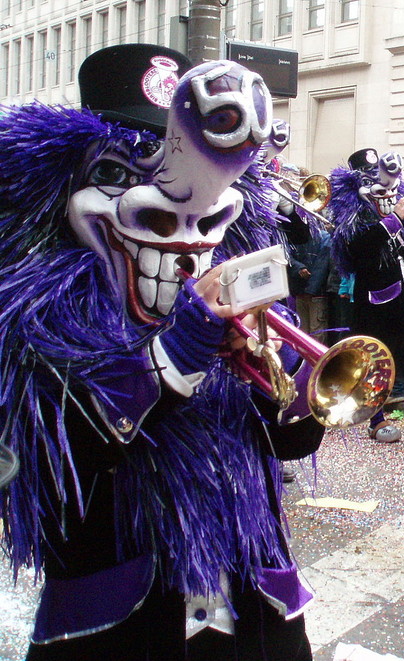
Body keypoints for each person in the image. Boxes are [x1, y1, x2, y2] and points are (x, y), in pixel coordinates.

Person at [0, 44, 324, 660]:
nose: (176, 207)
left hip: (258, 614)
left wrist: (281, 386)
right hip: (123, 628)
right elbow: (54, 466)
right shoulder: (33, 317)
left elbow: (289, 445)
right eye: (122, 175)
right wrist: (181, 347)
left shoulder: (241, 285)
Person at [328, 148, 404, 443]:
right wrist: (394, 220)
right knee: (377, 361)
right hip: (375, 303)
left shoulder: (398, 206)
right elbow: (357, 249)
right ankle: (377, 420)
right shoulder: (352, 217)